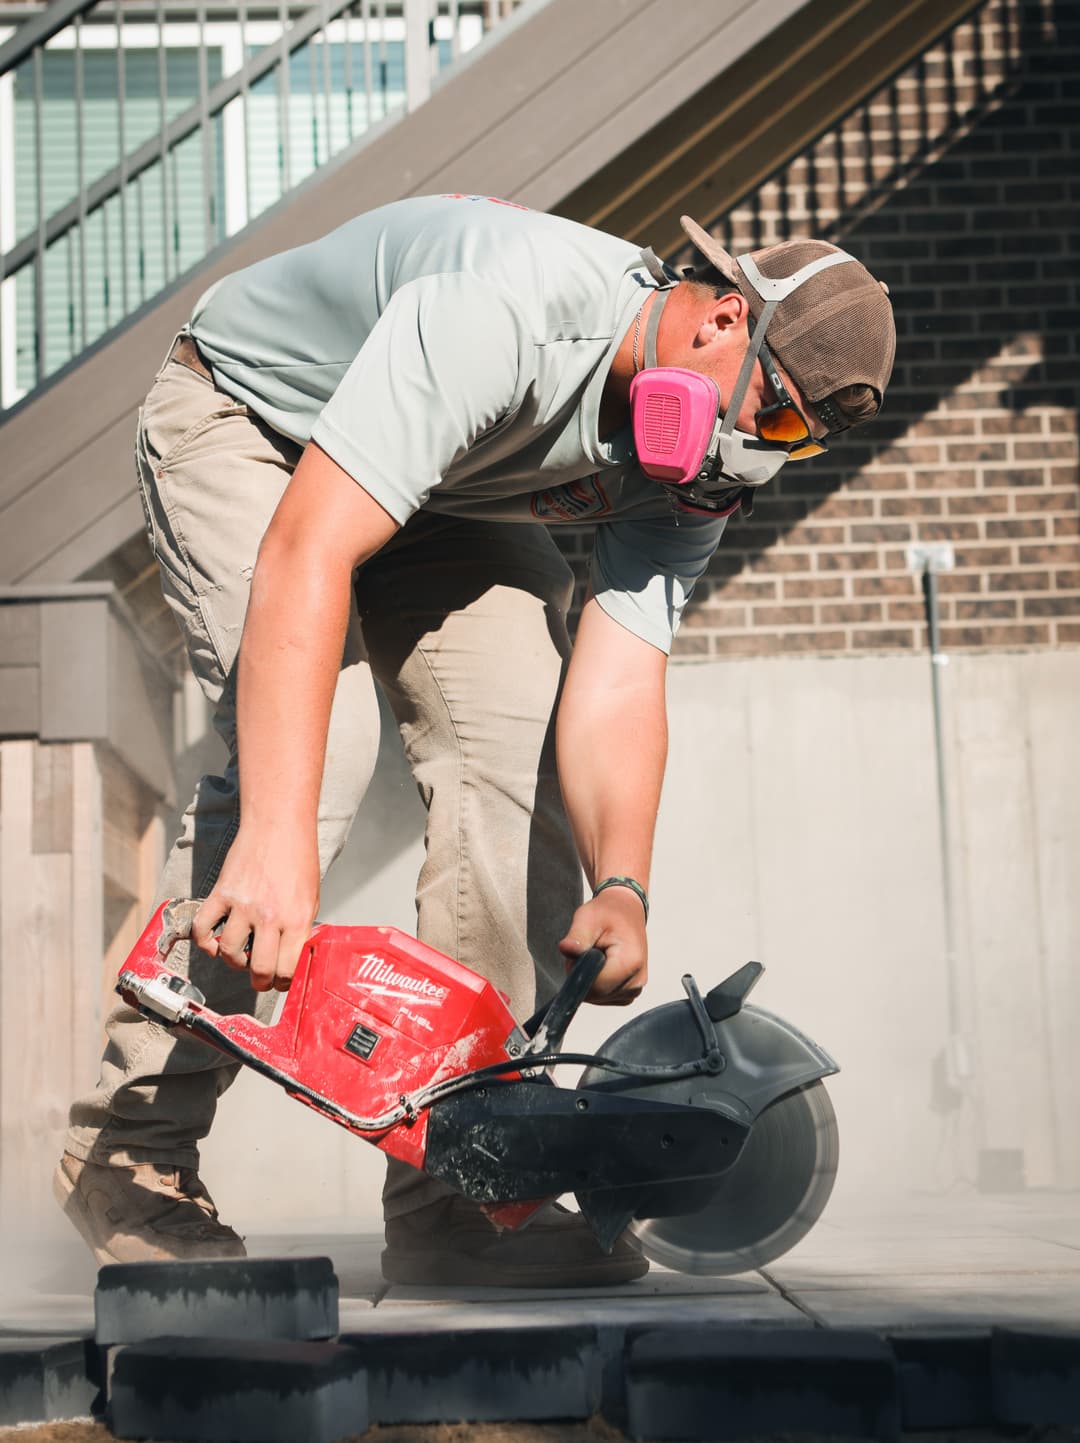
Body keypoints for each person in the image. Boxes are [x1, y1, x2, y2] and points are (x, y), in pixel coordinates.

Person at [55, 193, 895, 1288]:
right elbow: (308, 545)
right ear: (723, 320)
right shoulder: (504, 319)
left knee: (512, 731)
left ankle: (461, 1184)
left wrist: (624, 883)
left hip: (441, 486)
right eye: (775, 418)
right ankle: (131, 1148)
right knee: (316, 757)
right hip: (253, 420)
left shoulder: (695, 460)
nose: (760, 454)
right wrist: (274, 834)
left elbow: (620, 676)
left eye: (795, 443)